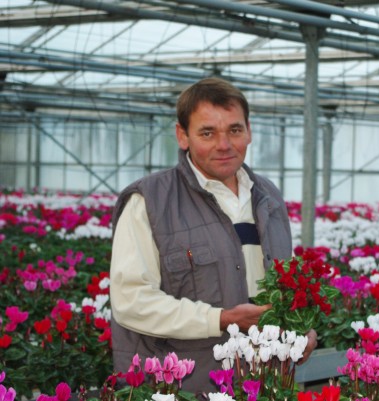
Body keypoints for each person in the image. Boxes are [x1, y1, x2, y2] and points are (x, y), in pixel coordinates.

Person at [109, 77, 317, 397]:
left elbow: (283, 287)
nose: (224, 144)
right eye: (207, 133)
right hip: (183, 386)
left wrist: (300, 328)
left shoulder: (268, 197)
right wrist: (220, 319)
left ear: (249, 130)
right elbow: (131, 301)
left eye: (234, 130)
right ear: (182, 135)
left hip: (261, 380)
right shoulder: (150, 201)